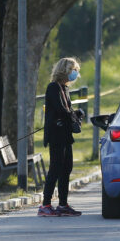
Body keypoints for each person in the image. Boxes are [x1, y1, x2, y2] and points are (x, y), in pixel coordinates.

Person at [38, 57, 83, 216]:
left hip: (65, 134)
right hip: (56, 134)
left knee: (66, 168)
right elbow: (60, 109)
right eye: (73, 70)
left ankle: (63, 204)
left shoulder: (65, 88)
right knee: (55, 169)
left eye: (76, 70)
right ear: (64, 70)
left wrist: (75, 114)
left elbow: (67, 109)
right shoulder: (53, 87)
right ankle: (45, 204)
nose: (75, 73)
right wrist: (72, 114)